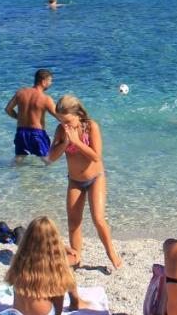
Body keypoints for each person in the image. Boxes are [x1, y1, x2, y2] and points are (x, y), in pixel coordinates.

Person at [45, 95, 122, 269]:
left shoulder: (91, 127)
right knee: (73, 222)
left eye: (68, 120)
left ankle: (111, 253)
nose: (65, 124)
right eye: (61, 120)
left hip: (95, 178)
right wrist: (65, 142)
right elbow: (51, 157)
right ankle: (76, 256)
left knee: (98, 219)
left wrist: (77, 142)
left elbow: (96, 156)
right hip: (75, 181)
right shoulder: (61, 130)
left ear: (78, 113)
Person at [5, 216, 83, 315]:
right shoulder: (56, 263)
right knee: (65, 269)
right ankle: (75, 302)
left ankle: (75, 302)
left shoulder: (20, 259)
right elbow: (76, 258)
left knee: (57, 270)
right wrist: (66, 249)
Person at [6, 69, 59, 161]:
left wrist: (18, 117)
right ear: (43, 81)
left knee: (18, 160)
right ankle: (49, 175)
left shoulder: (21, 93)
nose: (51, 83)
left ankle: (10, 175)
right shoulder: (46, 99)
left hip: (21, 132)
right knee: (47, 161)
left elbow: (8, 109)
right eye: (50, 81)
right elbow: (59, 116)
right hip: (37, 134)